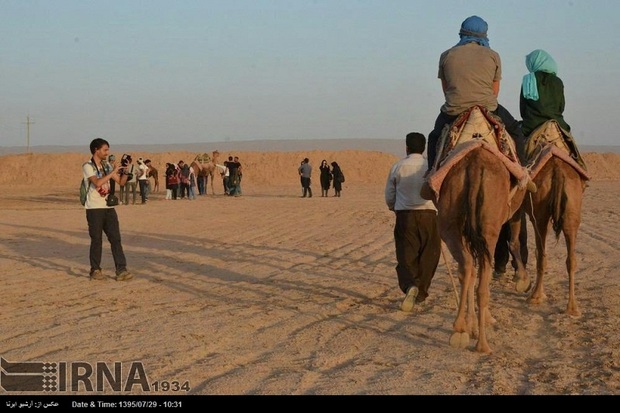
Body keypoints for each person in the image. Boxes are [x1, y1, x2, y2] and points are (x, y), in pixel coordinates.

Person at [427, 15, 526, 171]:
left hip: (455, 109)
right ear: (484, 34)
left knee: (434, 137)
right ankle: (523, 171)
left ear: (462, 32)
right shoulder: (493, 56)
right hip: (488, 107)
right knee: (515, 131)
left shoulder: (446, 55)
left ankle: (431, 173)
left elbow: (446, 89)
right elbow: (495, 91)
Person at [385, 132, 441, 312]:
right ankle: (422, 292)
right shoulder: (432, 166)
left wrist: (393, 206)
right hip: (429, 216)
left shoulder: (398, 166)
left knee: (406, 254)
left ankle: (410, 286)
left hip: (405, 216)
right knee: (429, 254)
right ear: (424, 147)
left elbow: (390, 194)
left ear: (407, 147)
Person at [519, 49, 586, 169]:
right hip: (557, 123)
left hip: (532, 125)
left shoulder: (528, 80)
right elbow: (561, 106)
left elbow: (522, 110)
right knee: (571, 146)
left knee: (516, 151)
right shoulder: (558, 81)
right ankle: (581, 168)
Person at [82, 138, 132, 281]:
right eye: (105, 150)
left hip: (108, 207)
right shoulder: (88, 166)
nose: (107, 152)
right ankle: (95, 270)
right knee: (96, 240)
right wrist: (112, 172)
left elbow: (121, 182)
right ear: (96, 150)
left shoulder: (107, 166)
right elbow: (97, 182)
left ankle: (121, 270)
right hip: (94, 208)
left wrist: (125, 171)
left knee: (116, 239)